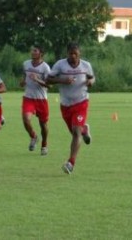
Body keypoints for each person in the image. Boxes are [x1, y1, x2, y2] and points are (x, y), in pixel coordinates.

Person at [47, 42, 95, 174]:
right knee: (74, 132)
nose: (73, 56)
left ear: (80, 53)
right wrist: (63, 81)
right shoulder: (60, 65)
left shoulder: (86, 65)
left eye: (76, 54)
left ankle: (71, 163)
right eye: (71, 53)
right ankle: (85, 129)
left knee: (75, 132)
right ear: (67, 53)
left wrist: (91, 82)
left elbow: (92, 77)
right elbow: (48, 80)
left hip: (81, 102)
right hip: (66, 105)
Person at [20, 46, 51, 155]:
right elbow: (24, 75)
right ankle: (33, 136)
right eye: (32, 50)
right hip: (28, 97)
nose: (32, 52)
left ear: (41, 53)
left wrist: (37, 79)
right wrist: (23, 81)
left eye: (35, 51)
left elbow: (49, 84)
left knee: (43, 125)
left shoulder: (45, 68)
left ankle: (44, 144)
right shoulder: (26, 64)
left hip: (41, 100)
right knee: (25, 119)